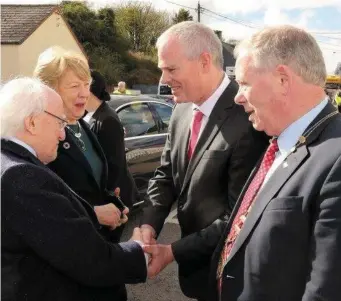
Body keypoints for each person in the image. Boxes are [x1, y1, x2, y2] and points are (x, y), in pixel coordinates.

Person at [144, 25, 341, 301]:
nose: (239, 95)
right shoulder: (281, 141)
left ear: (283, 80)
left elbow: (326, 289)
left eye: (245, 83)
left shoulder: (333, 158)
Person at [139, 21, 269, 300]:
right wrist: (148, 225)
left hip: (229, 275)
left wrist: (173, 251)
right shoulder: (181, 110)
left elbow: (239, 217)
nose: (163, 80)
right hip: (196, 277)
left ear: (204, 61)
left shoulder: (249, 117)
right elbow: (165, 175)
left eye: (171, 69)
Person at [1, 78, 148, 301]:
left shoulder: (12, 163)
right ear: (32, 123)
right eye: (60, 123)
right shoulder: (21, 176)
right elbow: (87, 259)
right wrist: (138, 250)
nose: (62, 135)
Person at [33, 47, 128, 244]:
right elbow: (38, 201)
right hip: (65, 248)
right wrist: (94, 213)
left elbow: (91, 184)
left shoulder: (82, 125)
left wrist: (111, 204)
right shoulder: (39, 135)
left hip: (94, 242)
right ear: (48, 89)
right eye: (75, 86)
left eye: (87, 84)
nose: (85, 93)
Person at [85, 70, 138, 211]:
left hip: (115, 195)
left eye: (82, 86)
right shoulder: (91, 114)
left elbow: (115, 164)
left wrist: (107, 197)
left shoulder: (107, 119)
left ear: (90, 92)